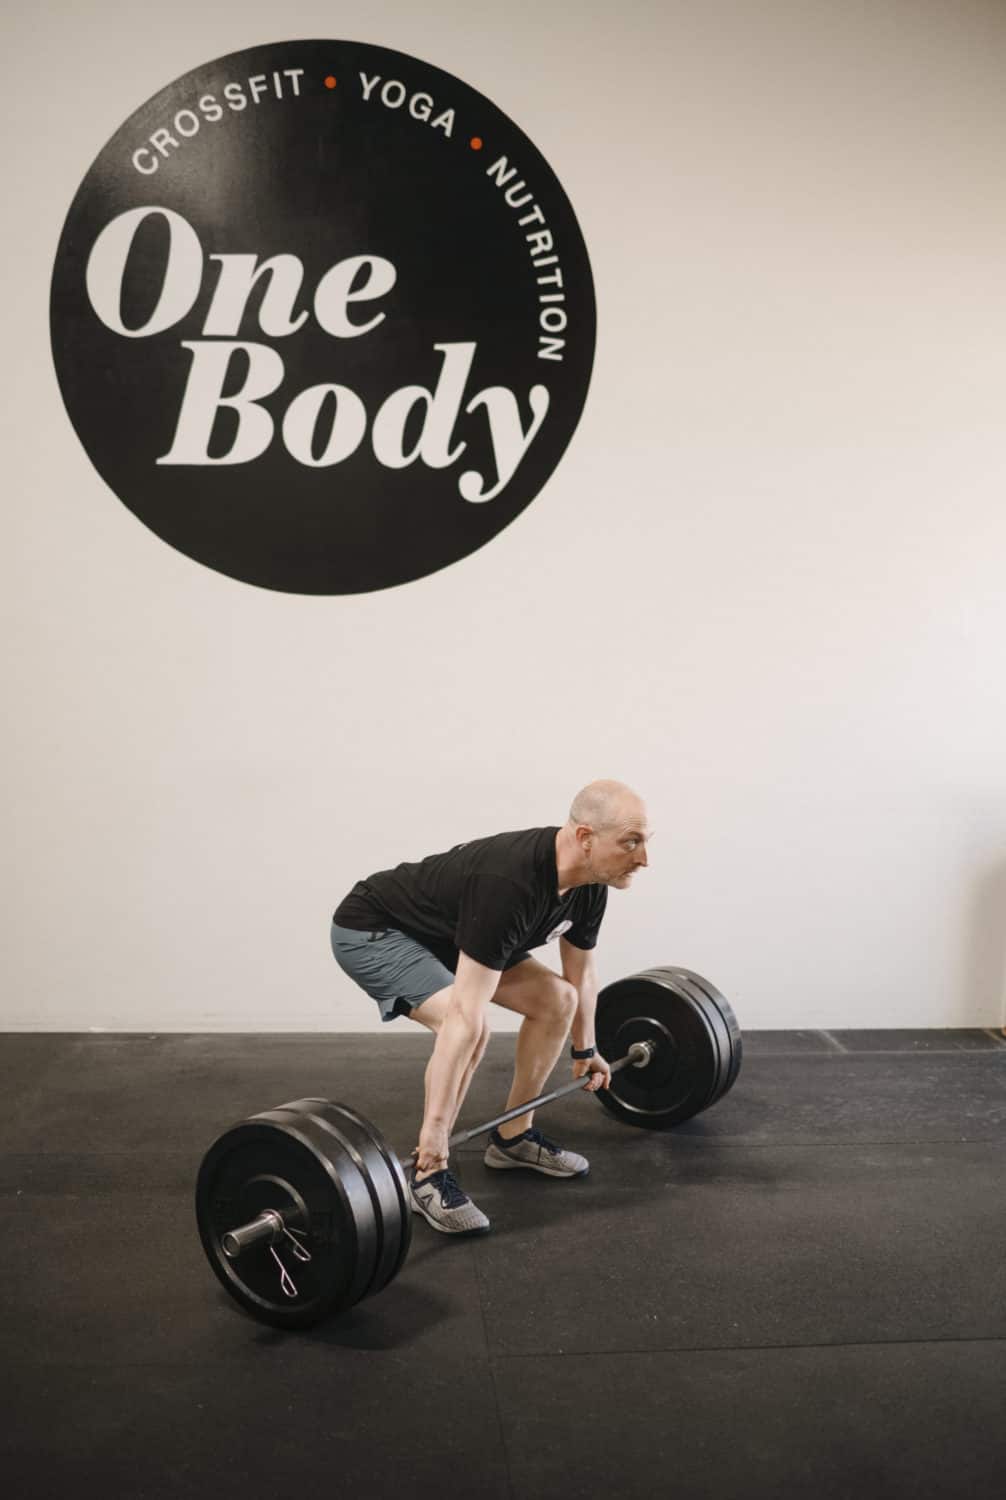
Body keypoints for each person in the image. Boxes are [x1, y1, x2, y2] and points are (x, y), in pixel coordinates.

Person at [330, 780, 651, 1235]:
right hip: (377, 931)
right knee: (468, 1028)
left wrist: (586, 1049)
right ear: (585, 838)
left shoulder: (589, 883)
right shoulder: (509, 884)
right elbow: (463, 1017)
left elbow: (579, 973)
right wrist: (436, 1133)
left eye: (644, 842)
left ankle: (513, 1138)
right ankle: (427, 1174)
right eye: (631, 843)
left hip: (450, 933)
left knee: (558, 1000)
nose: (643, 858)